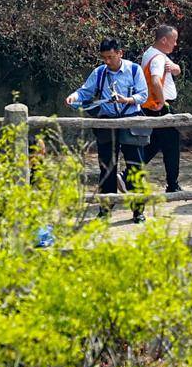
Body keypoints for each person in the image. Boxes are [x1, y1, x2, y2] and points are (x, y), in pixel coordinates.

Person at [68, 37, 148, 221]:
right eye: (104, 57)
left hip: (130, 120)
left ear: (120, 53)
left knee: (135, 166)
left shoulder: (134, 70)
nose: (107, 61)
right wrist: (74, 96)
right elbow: (85, 91)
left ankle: (138, 211)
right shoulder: (99, 72)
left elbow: (143, 95)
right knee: (106, 167)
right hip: (106, 122)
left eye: (110, 57)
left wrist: (126, 100)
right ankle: (105, 210)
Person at [139, 23, 182, 192]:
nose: (175, 44)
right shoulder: (158, 58)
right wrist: (163, 103)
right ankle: (172, 184)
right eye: (174, 40)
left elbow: (176, 69)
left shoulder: (153, 53)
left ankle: (127, 175)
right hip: (159, 106)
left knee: (154, 144)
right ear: (164, 40)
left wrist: (175, 68)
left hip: (153, 105)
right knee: (171, 145)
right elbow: (156, 81)